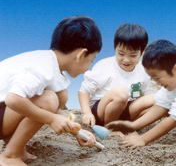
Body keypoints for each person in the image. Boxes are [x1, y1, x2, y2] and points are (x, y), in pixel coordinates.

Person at [0, 15, 102, 166]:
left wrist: (75, 130)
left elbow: (51, 110)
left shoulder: (50, 64)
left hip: (4, 112)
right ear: (81, 55)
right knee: (49, 99)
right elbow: (13, 99)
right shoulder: (41, 68)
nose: (89, 67)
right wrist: (51, 119)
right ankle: (9, 156)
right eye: (91, 60)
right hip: (7, 107)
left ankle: (16, 146)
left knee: (60, 95)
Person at [78, 23, 155, 127]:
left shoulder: (143, 69)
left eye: (133, 55)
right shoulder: (104, 66)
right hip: (102, 111)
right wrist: (87, 113)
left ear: (143, 51)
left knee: (159, 98)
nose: (126, 60)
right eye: (121, 54)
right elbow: (83, 92)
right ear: (115, 49)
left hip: (125, 109)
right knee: (121, 93)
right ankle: (111, 128)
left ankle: (129, 126)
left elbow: (141, 94)